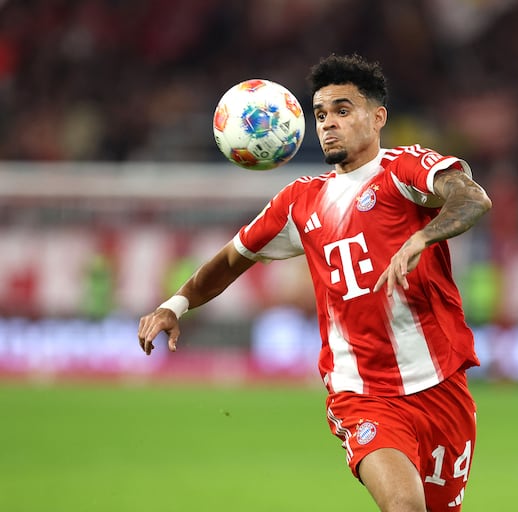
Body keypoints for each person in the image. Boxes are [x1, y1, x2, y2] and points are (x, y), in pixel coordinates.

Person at [138, 53, 492, 512]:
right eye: (321, 113)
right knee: (404, 507)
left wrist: (421, 236)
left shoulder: (404, 171)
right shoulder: (300, 201)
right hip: (361, 394)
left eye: (343, 111)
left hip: (441, 386)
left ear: (377, 117)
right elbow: (230, 260)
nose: (328, 123)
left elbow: (471, 197)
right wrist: (175, 304)